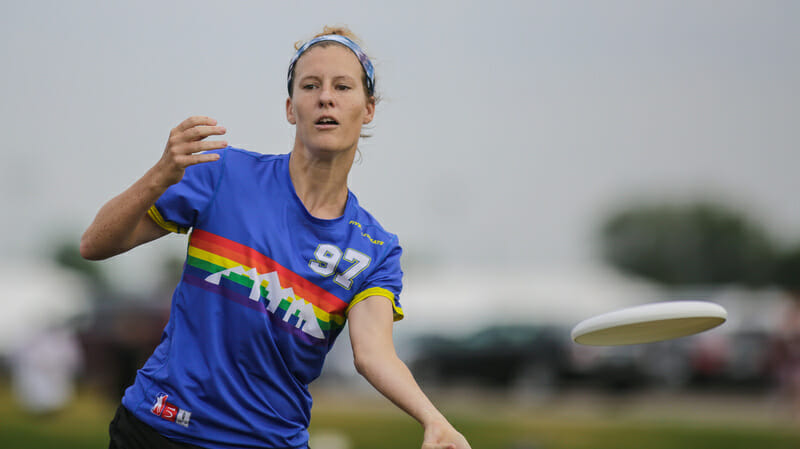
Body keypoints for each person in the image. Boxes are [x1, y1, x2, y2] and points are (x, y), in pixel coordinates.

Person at [80, 26, 471, 449]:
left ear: (368, 108)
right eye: (310, 85)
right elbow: (95, 245)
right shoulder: (223, 174)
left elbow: (373, 353)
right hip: (159, 429)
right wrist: (159, 175)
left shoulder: (374, 249)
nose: (326, 97)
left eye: (342, 86)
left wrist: (433, 420)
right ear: (290, 107)